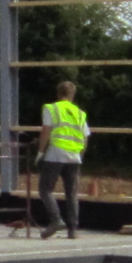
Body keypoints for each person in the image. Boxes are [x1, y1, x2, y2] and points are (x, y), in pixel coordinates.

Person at [36, 80, 90, 239]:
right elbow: (86, 138)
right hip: (74, 156)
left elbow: (46, 131)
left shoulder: (52, 108)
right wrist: (79, 155)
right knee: (71, 193)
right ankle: (73, 229)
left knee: (45, 189)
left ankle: (56, 220)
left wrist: (40, 152)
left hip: (56, 154)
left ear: (58, 94)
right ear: (73, 95)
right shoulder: (80, 113)